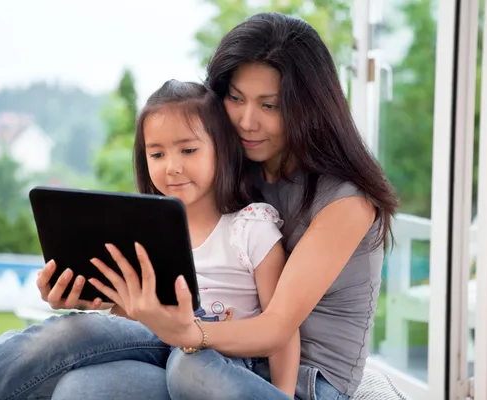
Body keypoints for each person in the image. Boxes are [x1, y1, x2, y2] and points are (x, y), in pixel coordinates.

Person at [45, 11, 398, 400]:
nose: (247, 121)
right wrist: (101, 295)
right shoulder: (234, 174)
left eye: (270, 105)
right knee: (82, 387)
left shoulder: (346, 201)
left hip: (303, 383)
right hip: (213, 357)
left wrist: (189, 334)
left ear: (309, 107)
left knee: (189, 368)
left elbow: (276, 328)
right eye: (235, 98)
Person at [0, 80, 300, 400]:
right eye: (157, 153)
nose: (172, 166)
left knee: (189, 364)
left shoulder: (251, 226)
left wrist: (279, 394)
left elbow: (282, 331)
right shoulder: (146, 229)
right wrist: (85, 295)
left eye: (188, 150)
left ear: (223, 149)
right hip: (155, 348)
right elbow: (128, 317)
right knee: (75, 342)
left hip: (222, 362)